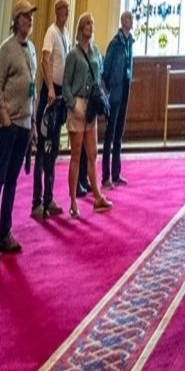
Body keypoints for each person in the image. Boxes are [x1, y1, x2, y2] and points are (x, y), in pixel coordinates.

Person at [0, 0, 38, 261]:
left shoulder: (32, 50)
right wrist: (5, 117)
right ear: (16, 20)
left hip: (25, 126)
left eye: (31, 17)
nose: (29, 20)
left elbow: (33, 92)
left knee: (13, 182)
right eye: (25, 16)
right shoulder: (7, 49)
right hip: (8, 127)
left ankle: (6, 233)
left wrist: (34, 125)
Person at [62, 13, 113, 218]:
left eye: (92, 23)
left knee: (92, 154)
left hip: (90, 105)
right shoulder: (73, 55)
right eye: (87, 24)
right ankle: (73, 201)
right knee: (76, 155)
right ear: (80, 28)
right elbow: (65, 85)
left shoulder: (95, 51)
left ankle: (98, 197)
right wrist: (73, 105)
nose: (90, 27)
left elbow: (98, 76)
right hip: (77, 104)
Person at [31, 0, 70, 220]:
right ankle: (37, 201)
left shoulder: (65, 34)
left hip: (61, 93)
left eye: (67, 10)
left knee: (53, 149)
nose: (65, 13)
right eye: (62, 9)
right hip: (50, 93)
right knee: (42, 150)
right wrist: (49, 88)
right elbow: (45, 60)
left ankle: (49, 197)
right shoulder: (51, 32)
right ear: (56, 12)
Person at [101, 10, 134, 189]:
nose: (131, 21)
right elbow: (106, 69)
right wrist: (110, 87)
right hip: (115, 93)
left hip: (125, 91)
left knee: (119, 134)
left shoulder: (130, 43)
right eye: (128, 18)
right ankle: (106, 176)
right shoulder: (115, 43)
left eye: (131, 18)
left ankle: (116, 172)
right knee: (110, 135)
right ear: (122, 21)